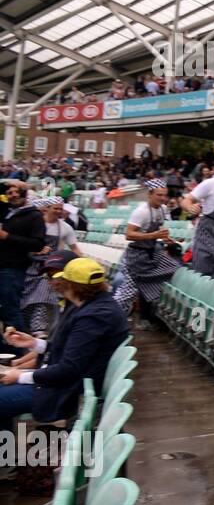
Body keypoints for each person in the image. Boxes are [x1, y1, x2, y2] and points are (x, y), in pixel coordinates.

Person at [0, 257, 129, 429]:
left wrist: (21, 376)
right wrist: (33, 343)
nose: (54, 283)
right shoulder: (95, 306)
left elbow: (69, 368)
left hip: (67, 391)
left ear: (70, 284)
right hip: (68, 382)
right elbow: (76, 351)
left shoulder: (93, 316)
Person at [114, 178, 183, 325]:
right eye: (159, 195)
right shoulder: (141, 212)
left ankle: (147, 293)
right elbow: (129, 234)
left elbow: (156, 231)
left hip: (152, 251)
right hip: (137, 255)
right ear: (150, 195)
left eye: (165, 195)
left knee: (175, 268)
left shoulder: (163, 209)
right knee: (127, 293)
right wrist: (153, 236)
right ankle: (111, 317)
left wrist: (166, 239)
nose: (163, 198)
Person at [21, 198, 81, 336]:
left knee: (42, 296)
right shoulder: (34, 224)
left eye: (60, 208)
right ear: (46, 208)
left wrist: (82, 262)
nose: (59, 211)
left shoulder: (65, 227)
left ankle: (39, 330)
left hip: (49, 268)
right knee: (26, 302)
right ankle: (29, 330)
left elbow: (74, 248)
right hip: (29, 267)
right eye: (56, 208)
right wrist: (35, 250)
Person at [0, 184, 48, 334]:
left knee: (11, 310)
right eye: (9, 192)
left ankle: (17, 349)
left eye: (17, 192)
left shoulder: (34, 216)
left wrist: (7, 237)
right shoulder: (6, 211)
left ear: (25, 194)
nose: (13, 195)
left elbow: (37, 244)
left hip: (12, 269)